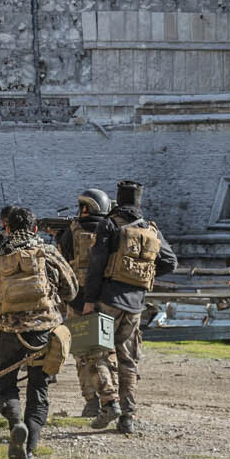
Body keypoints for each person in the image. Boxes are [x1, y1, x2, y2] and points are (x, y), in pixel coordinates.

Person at [77, 178, 177, 436]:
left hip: (107, 301)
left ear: (117, 201)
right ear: (139, 201)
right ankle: (128, 418)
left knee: (94, 353)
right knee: (128, 361)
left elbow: (97, 266)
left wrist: (89, 299)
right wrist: (142, 279)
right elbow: (170, 262)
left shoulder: (109, 225)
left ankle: (109, 403)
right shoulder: (151, 229)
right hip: (135, 305)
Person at [0, 204, 78, 459]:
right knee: (39, 389)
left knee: (3, 382)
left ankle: (16, 424)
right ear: (35, 229)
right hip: (44, 333)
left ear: (8, 228)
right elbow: (72, 290)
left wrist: (0, 321)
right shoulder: (48, 253)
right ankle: (29, 453)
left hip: (9, 332)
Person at [63, 188, 118, 425]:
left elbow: (63, 265)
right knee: (106, 352)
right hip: (107, 301)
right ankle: (111, 398)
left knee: (84, 355)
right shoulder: (113, 230)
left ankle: (100, 401)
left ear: (86, 208)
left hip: (78, 302)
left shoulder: (71, 232)